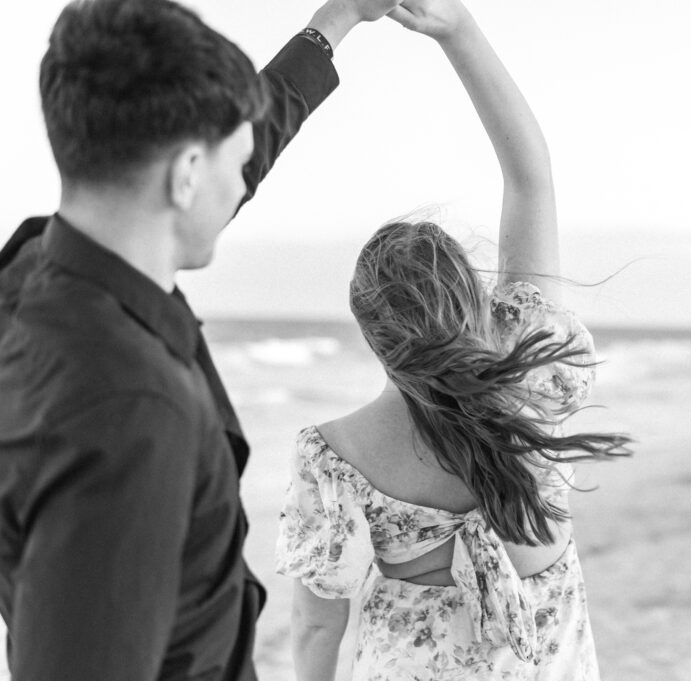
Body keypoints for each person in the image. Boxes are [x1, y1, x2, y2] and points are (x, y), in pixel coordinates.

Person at [0, 0, 401, 679]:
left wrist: (336, 22)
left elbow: (251, 126)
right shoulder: (132, 412)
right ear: (186, 174)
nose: (244, 177)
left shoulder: (36, 270)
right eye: (235, 160)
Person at [275, 1, 632, 679]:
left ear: (377, 340)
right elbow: (531, 172)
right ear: (474, 296)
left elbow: (316, 626)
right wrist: (458, 30)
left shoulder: (336, 456)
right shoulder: (531, 369)